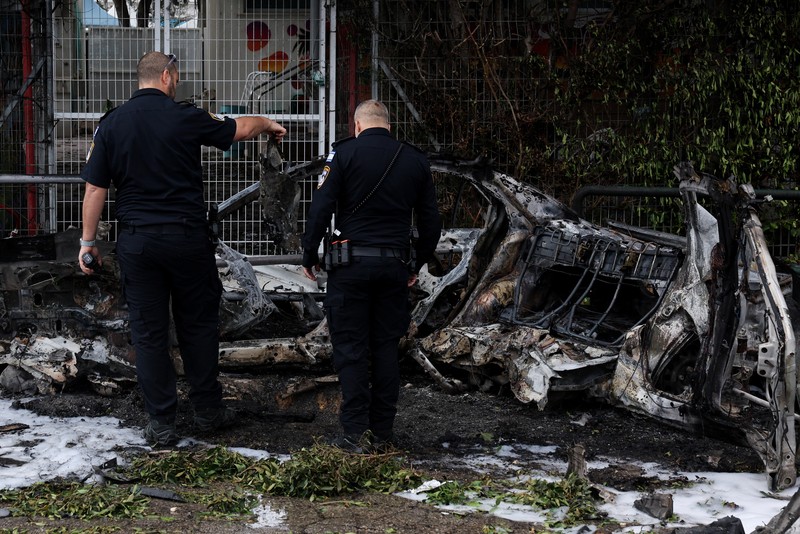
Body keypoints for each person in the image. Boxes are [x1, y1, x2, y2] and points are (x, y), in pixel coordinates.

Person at [78, 51, 287, 446]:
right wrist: (267, 123)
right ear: (168, 76)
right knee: (198, 326)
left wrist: (88, 243)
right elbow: (238, 129)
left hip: (139, 243)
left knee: (149, 333)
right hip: (186, 238)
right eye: (178, 77)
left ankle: (162, 424)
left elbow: (95, 189)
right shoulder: (186, 117)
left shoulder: (111, 124)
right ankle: (208, 411)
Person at [301, 99, 442, 452]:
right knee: (384, 350)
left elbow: (320, 208)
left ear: (357, 126)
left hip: (349, 268)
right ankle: (382, 433)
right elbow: (431, 224)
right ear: (389, 127)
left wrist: (309, 253)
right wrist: (415, 263)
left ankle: (352, 434)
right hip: (393, 269)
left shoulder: (342, 156)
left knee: (350, 351)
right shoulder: (414, 160)